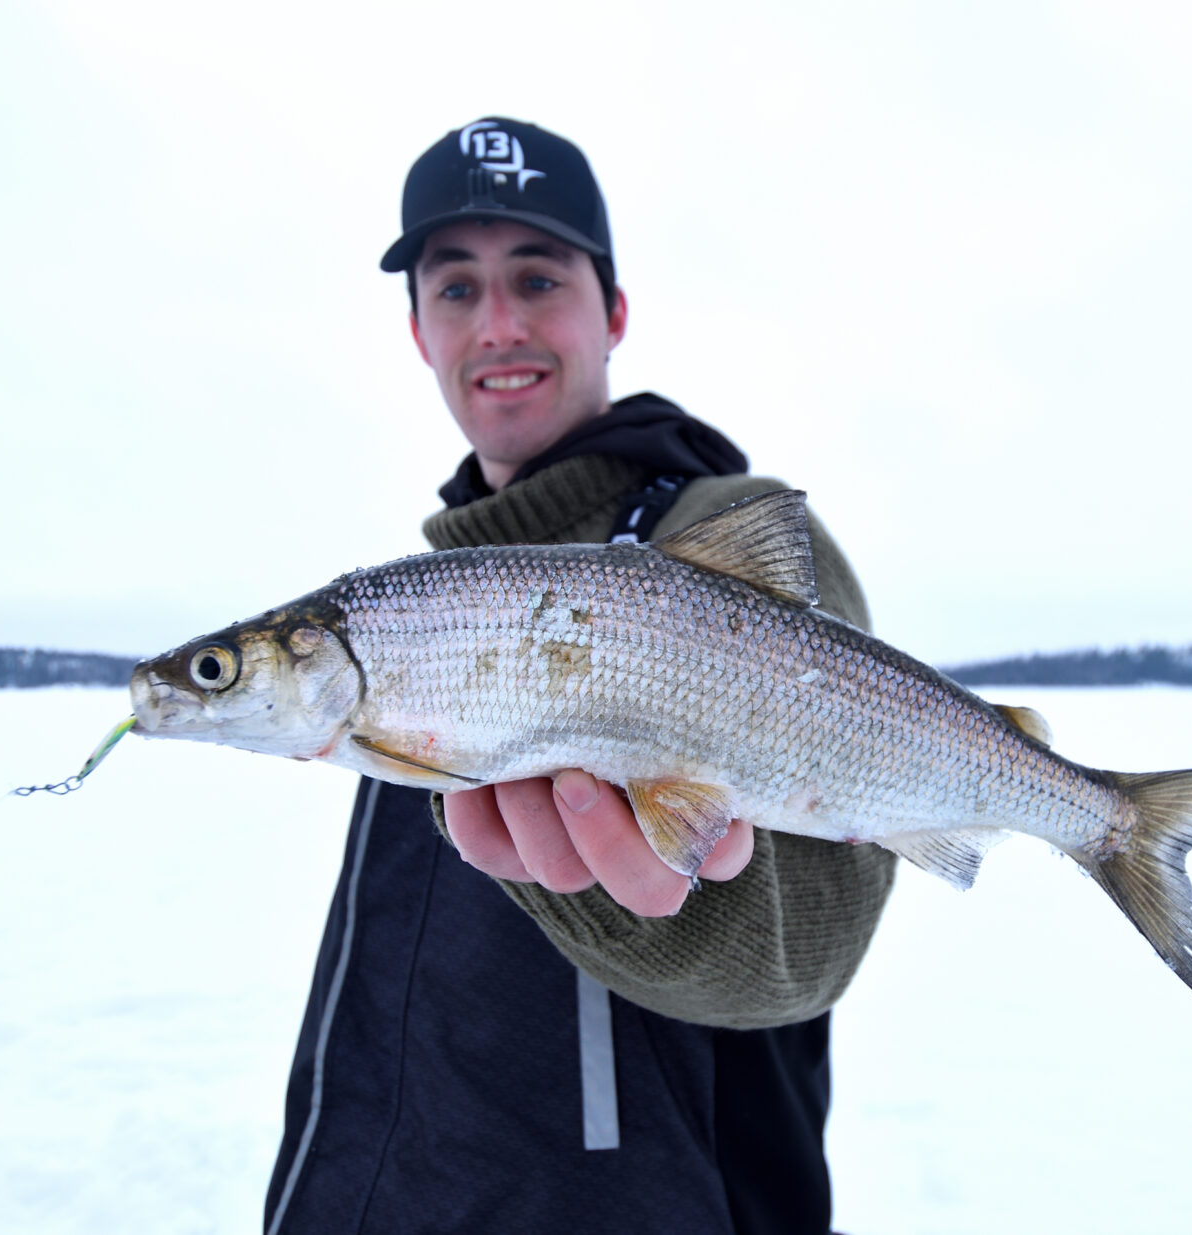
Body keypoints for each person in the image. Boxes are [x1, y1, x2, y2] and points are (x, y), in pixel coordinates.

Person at [263, 117, 896, 1235]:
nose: (498, 323)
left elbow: (816, 941)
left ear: (612, 311)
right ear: (417, 331)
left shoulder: (729, 529)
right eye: (455, 288)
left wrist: (678, 905)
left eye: (538, 277)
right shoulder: (417, 603)